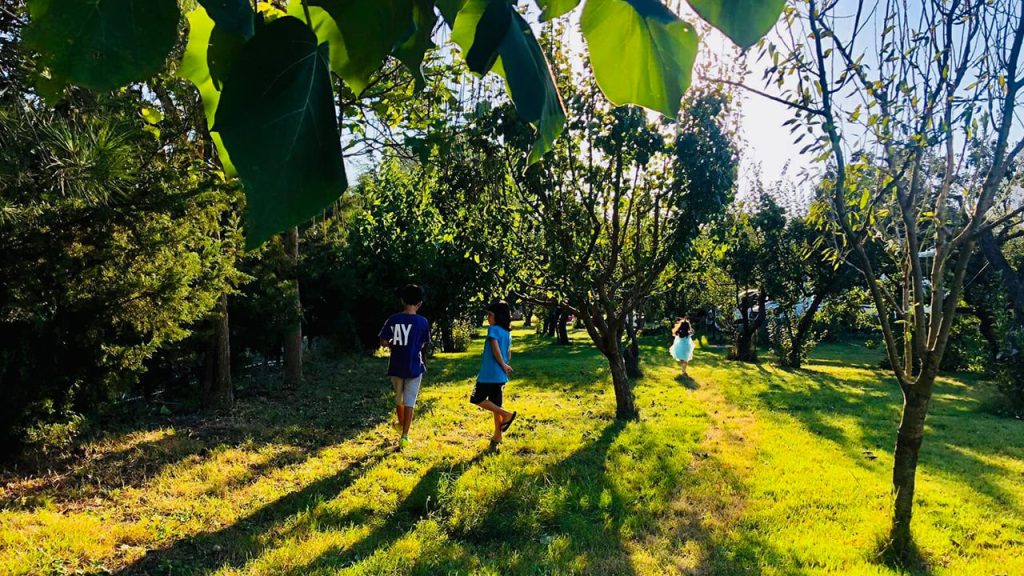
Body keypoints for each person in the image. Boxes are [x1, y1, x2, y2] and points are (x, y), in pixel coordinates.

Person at [378, 284, 430, 448]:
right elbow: (422, 343)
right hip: (414, 366)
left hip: (396, 366)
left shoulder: (393, 319)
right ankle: (405, 435)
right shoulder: (423, 322)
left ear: (402, 300)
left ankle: (401, 426)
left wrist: (394, 342)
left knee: (399, 399)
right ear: (420, 303)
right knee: (410, 401)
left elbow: (384, 341)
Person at [469, 301, 517, 445]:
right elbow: (508, 353)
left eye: (490, 315)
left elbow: (495, 349)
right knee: (496, 405)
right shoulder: (507, 333)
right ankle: (498, 436)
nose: (488, 318)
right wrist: (506, 366)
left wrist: (502, 365)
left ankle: (507, 414)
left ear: (498, 316)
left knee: (476, 399)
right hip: (500, 375)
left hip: (489, 374)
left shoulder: (493, 330)